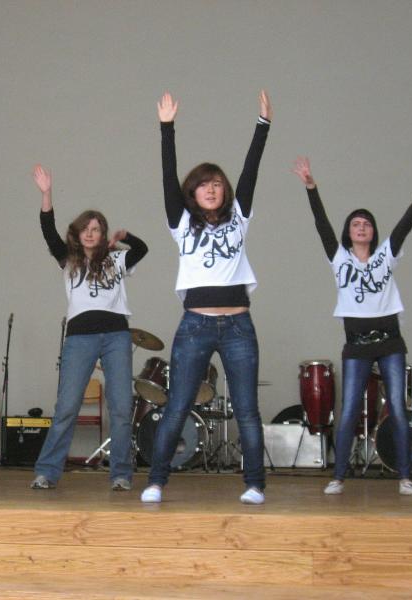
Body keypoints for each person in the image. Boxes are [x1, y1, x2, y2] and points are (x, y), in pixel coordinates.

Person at [292, 157, 412, 496]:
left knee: (396, 406)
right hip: (356, 343)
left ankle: (405, 476)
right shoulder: (339, 258)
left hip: (390, 341)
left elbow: (406, 223)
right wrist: (311, 187)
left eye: (366, 223)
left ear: (373, 231)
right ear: (349, 232)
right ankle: (338, 476)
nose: (362, 227)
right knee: (350, 408)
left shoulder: (385, 255)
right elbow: (321, 224)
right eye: (355, 223)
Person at [141, 91, 271, 505]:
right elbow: (167, 177)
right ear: (192, 194)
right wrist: (166, 129)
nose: (211, 190)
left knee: (247, 410)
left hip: (238, 325)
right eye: (202, 186)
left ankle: (254, 484)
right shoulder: (181, 223)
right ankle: (156, 481)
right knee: (177, 405)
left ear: (225, 191)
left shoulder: (239, 218)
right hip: (195, 324)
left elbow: (251, 170)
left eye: (216, 184)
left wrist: (263, 125)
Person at [30, 164, 147, 491]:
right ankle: (47, 472)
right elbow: (48, 230)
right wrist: (46, 194)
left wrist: (125, 237)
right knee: (67, 407)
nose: (91, 233)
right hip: (80, 338)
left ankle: (121, 474)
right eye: (86, 228)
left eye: (97, 228)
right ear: (78, 233)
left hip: (116, 336)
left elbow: (142, 250)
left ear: (103, 233)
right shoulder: (68, 259)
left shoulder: (117, 259)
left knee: (121, 407)